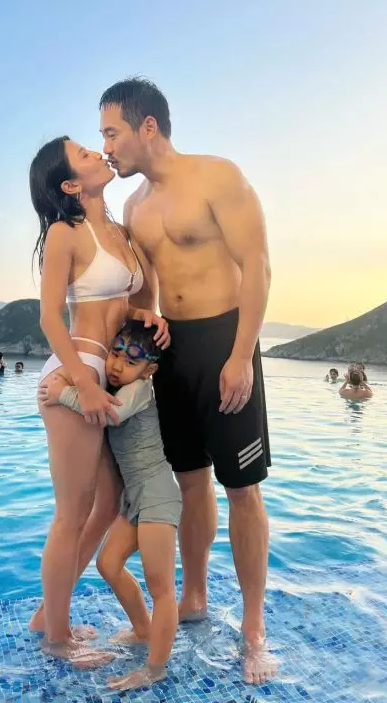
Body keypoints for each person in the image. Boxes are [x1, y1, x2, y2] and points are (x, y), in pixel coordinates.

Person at [100, 77, 276, 684]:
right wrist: (141, 324)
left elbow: (258, 265)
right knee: (190, 480)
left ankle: (254, 629)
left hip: (225, 340)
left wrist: (241, 355)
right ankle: (195, 596)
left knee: (242, 487)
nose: (107, 147)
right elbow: (148, 287)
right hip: (171, 350)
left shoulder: (217, 177)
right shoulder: (134, 206)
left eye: (113, 133)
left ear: (147, 126)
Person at [27, 136, 169, 665]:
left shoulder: (118, 232)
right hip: (78, 369)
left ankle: (48, 613)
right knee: (72, 513)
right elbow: (50, 317)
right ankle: (57, 637)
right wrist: (84, 386)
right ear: (70, 184)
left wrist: (145, 316)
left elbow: (120, 304)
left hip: (106, 376)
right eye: (84, 154)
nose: (97, 153)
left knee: (108, 505)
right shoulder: (65, 232)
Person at [39, 320, 181, 691]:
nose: (117, 365)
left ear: (149, 370)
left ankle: (155, 667)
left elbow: (111, 413)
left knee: (161, 587)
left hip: (156, 493)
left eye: (131, 361)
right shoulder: (122, 383)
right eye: (115, 354)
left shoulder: (139, 389)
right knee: (108, 563)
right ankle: (143, 629)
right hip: (134, 497)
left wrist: (63, 394)